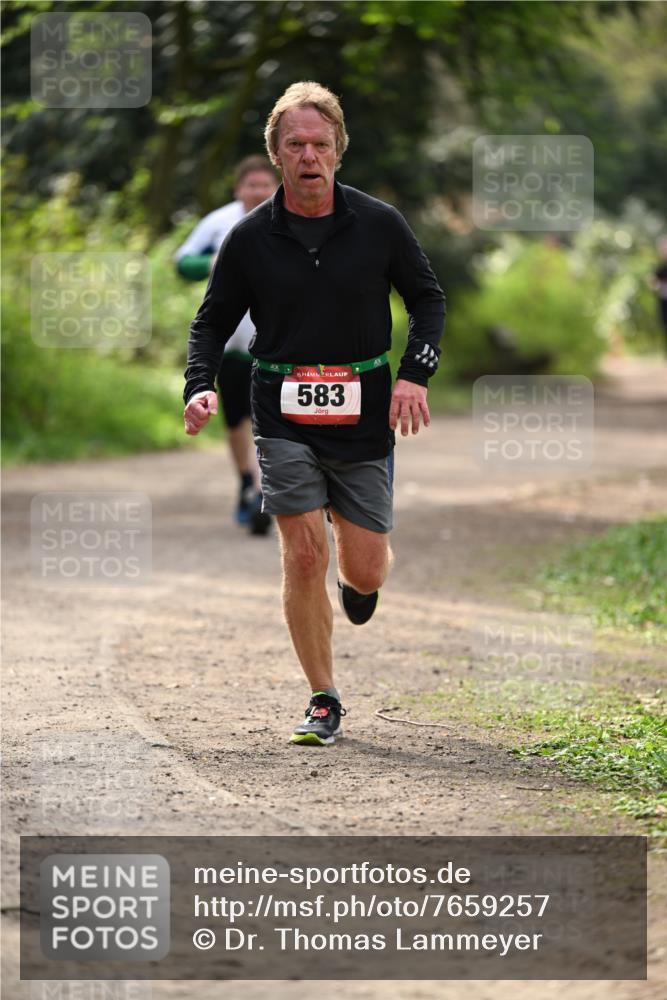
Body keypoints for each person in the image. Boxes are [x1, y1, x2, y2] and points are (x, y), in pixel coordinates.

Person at [183, 82, 445, 745]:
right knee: (303, 557)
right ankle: (323, 697)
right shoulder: (249, 238)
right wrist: (199, 384)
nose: (309, 156)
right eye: (295, 144)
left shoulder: (379, 224)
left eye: (320, 144)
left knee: (363, 569)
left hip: (363, 412)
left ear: (338, 150)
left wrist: (413, 376)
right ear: (276, 153)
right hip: (282, 412)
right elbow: (211, 320)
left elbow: (427, 299)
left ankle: (359, 579)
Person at [175, 155, 278, 533]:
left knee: (273, 416)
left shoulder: (291, 218)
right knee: (237, 419)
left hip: (277, 340)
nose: (258, 191)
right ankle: (247, 482)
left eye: (265, 185)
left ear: (276, 187)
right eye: (251, 185)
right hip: (233, 341)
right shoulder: (219, 222)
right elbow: (182, 262)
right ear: (238, 190)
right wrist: (211, 263)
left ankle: (269, 489)